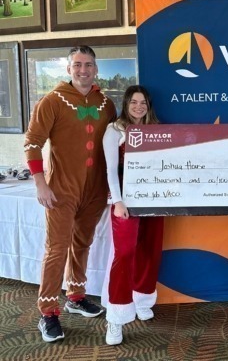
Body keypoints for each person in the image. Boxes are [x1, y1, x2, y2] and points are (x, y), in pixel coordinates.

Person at [24, 45, 117, 342]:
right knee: (57, 249)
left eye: (88, 64)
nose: (83, 70)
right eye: (77, 64)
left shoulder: (106, 104)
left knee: (82, 244)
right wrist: (40, 183)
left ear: (96, 69)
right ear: (68, 69)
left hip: (95, 191)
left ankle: (75, 296)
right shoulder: (52, 101)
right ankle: (48, 312)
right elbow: (32, 143)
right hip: (61, 190)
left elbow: (114, 144)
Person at [103, 85, 164, 346]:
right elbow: (109, 170)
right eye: (134, 102)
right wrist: (117, 201)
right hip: (125, 201)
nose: (139, 107)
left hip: (155, 199)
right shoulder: (114, 130)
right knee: (125, 254)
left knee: (150, 249)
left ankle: (142, 298)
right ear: (126, 104)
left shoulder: (156, 130)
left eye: (143, 103)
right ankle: (115, 317)